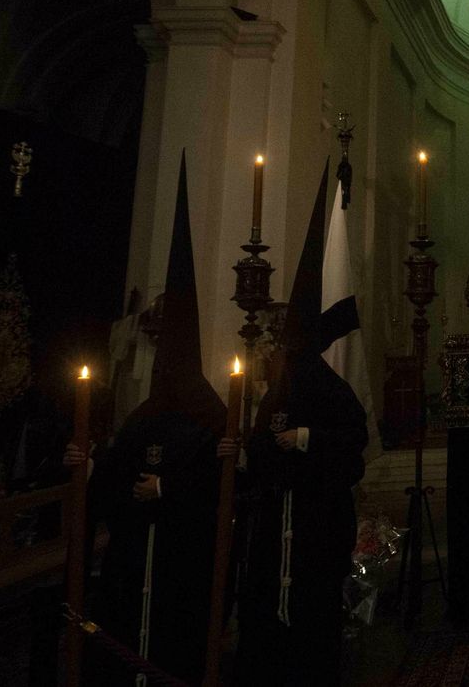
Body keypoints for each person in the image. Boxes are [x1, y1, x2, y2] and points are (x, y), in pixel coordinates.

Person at [63, 157, 225, 685]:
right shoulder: (142, 419)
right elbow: (110, 480)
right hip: (135, 562)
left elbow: (225, 482)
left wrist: (169, 487)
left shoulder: (209, 413)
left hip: (182, 559)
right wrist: (85, 468)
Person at [225, 165, 368, 685]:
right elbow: (260, 450)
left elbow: (354, 444)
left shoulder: (331, 389)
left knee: (312, 611)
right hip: (274, 521)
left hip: (315, 521)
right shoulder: (278, 393)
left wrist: (307, 440)